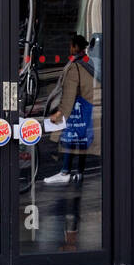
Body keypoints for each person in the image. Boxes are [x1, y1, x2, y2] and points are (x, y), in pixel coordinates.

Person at [44, 35, 99, 185]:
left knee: (69, 138)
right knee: (82, 140)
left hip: (76, 107)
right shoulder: (88, 61)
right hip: (87, 105)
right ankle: (79, 172)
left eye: (71, 45)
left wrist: (60, 112)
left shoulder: (75, 64)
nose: (69, 48)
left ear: (75, 47)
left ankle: (65, 171)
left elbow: (69, 92)